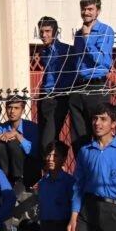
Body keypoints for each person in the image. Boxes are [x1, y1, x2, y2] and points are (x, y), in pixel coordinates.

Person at [67, 0, 115, 147]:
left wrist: (87, 38)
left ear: (98, 11)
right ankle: (81, 161)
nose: (86, 12)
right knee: (78, 136)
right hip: (78, 87)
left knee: (99, 132)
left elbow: (103, 61)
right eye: (83, 9)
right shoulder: (78, 34)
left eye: (90, 9)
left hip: (96, 87)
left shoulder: (105, 30)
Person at [37, 16, 76, 151]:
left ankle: (59, 159)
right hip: (44, 97)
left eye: (47, 31)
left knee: (47, 142)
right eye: (41, 31)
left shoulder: (66, 50)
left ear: (55, 32)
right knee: (44, 139)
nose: (44, 35)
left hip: (59, 98)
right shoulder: (43, 51)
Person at [0, 96, 38, 192]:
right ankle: (4, 179)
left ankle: (18, 180)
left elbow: (33, 152)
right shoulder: (0, 128)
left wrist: (17, 135)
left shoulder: (31, 127)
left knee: (13, 143)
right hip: (6, 171)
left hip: (27, 169)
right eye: (9, 107)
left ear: (23, 111)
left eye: (16, 108)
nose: (12, 111)